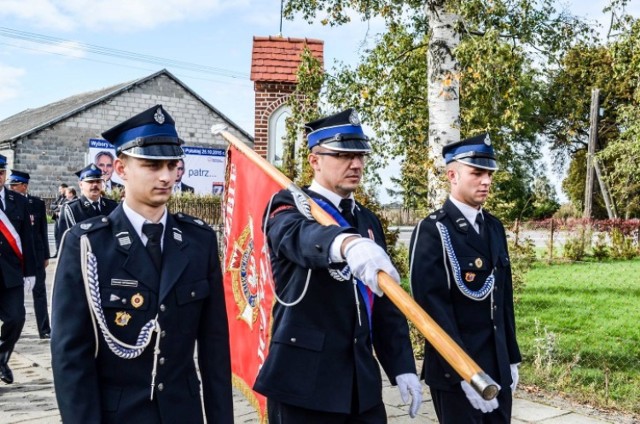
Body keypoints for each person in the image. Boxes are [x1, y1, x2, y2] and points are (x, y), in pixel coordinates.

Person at [51, 104, 233, 423]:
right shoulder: (88, 244)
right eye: (151, 165)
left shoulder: (198, 241)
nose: (166, 176)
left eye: (172, 164)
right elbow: (70, 358)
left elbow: (215, 352)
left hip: (183, 413)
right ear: (121, 170)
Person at [254, 109, 422, 423]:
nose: (356, 164)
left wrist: (401, 366)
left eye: (360, 155)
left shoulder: (368, 221)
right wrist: (346, 243)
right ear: (314, 160)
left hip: (361, 385)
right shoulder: (289, 206)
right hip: (304, 383)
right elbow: (298, 237)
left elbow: (385, 302)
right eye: (343, 155)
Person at [409, 134, 521, 423]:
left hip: (496, 364)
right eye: (477, 173)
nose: (486, 181)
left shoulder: (493, 227)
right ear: (452, 175)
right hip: (455, 372)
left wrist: (511, 357)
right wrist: (463, 371)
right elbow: (431, 309)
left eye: (489, 174)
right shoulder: (433, 230)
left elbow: (503, 299)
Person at [0, 155, 37, 384]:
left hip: (10, 272)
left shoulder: (19, 201)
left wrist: (30, 271)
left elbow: (27, 239)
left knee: (17, 318)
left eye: (1, 172)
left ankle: (2, 357)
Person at [7, 170, 51, 339]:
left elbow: (42, 231)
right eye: (10, 185)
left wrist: (46, 255)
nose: (11, 188)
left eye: (15, 185)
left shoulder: (37, 203)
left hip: (36, 255)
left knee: (39, 292)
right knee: (12, 293)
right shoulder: (7, 203)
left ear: (24, 186)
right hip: (15, 256)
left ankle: (44, 329)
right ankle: (13, 329)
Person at [55, 164, 118, 246]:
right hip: (83, 256)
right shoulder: (71, 209)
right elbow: (65, 242)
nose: (95, 185)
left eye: (98, 181)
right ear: (81, 184)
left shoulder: (112, 206)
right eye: (90, 182)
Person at [50, 183, 68, 251]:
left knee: (62, 235)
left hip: (63, 219)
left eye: (60, 189)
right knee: (56, 234)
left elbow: (65, 207)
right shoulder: (60, 197)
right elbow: (52, 206)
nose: (59, 191)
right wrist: (58, 207)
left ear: (65, 188)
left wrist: (59, 208)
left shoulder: (68, 197)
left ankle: (62, 251)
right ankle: (57, 251)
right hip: (57, 218)